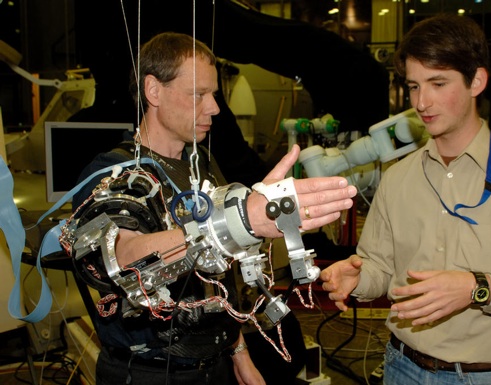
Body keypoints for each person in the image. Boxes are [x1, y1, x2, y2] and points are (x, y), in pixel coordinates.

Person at [70, 32, 356, 385]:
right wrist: (235, 222)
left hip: (214, 364)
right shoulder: (113, 175)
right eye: (198, 95)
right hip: (148, 374)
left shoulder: (200, 164)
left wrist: (240, 356)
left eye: (214, 94)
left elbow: (218, 282)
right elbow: (124, 261)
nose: (214, 108)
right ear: (153, 91)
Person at [319, 14, 491, 385]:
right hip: (400, 367)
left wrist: (477, 288)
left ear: (477, 81)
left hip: (486, 377)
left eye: (437, 83)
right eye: (413, 86)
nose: (422, 102)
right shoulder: (397, 179)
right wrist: (356, 278)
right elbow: (379, 267)